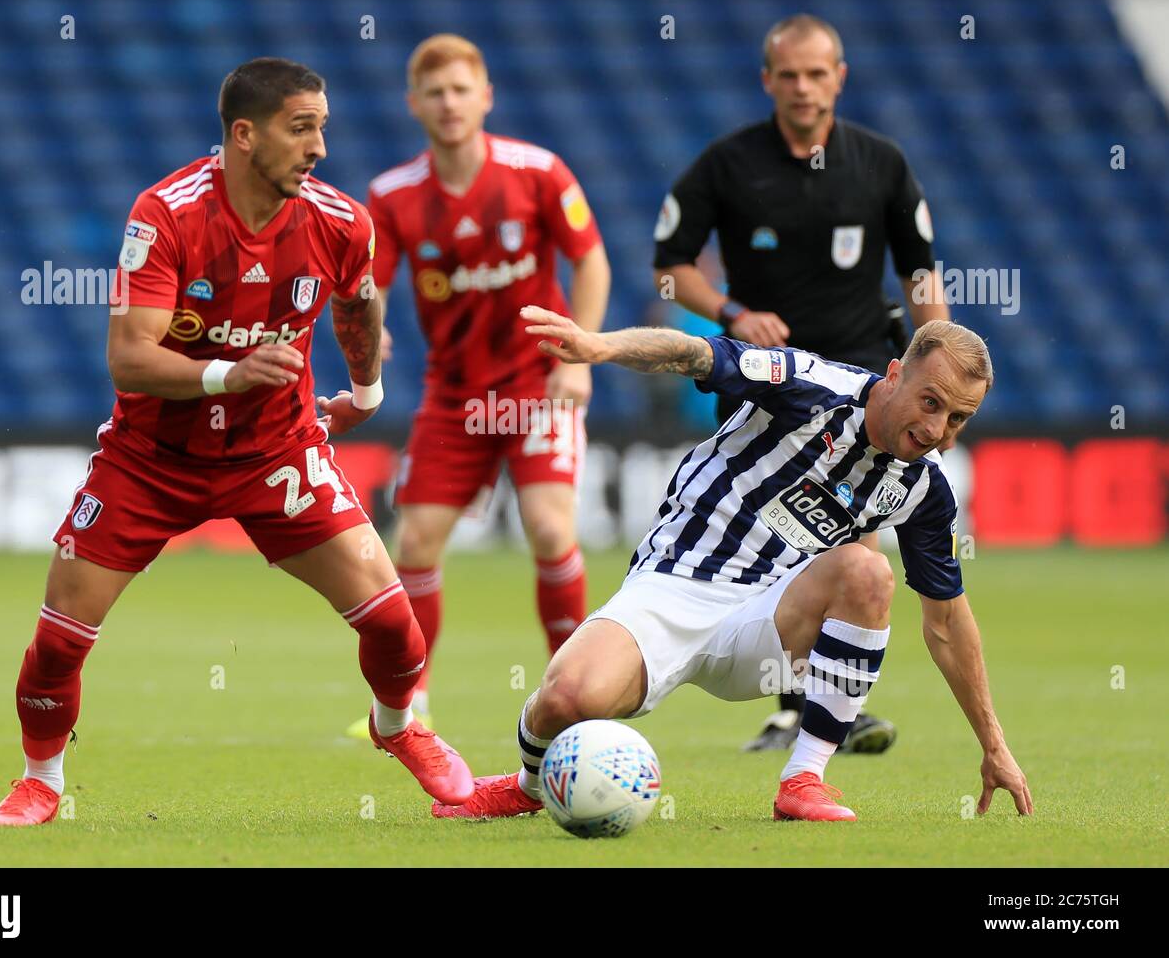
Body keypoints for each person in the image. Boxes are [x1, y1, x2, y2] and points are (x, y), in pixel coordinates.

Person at [0, 57, 474, 826]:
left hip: (276, 451)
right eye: (300, 128)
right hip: (151, 460)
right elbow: (129, 356)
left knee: (391, 621)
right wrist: (227, 374)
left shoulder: (341, 221)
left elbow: (357, 302)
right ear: (245, 134)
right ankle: (41, 778)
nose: (318, 147)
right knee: (59, 639)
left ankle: (399, 727)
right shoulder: (166, 214)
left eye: (323, 128)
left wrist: (369, 391)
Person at [433, 309, 1032, 823]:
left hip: (767, 623)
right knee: (565, 699)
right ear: (896, 375)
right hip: (673, 588)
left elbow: (948, 622)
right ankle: (530, 786)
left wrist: (995, 746)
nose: (937, 431)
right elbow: (697, 354)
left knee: (867, 571)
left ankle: (803, 780)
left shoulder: (924, 491)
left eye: (958, 420)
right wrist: (599, 348)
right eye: (931, 404)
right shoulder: (810, 384)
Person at [653, 13, 953, 753]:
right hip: (768, 385)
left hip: (861, 386)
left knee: (853, 552)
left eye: (818, 73)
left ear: (839, 78)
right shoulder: (728, 164)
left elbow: (920, 272)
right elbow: (670, 264)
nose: (803, 87)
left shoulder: (881, 163)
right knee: (773, 544)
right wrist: (731, 312)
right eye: (788, 74)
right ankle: (796, 707)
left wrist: (936, 357)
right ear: (768, 81)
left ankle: (818, 711)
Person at [346, 34, 611, 735]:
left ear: (485, 96)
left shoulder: (539, 171)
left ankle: (576, 694)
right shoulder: (393, 194)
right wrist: (372, 327)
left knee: (551, 528)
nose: (449, 102)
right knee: (415, 544)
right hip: (456, 396)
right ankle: (408, 705)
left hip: (536, 385)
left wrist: (577, 356)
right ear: (415, 105)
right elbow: (368, 286)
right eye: (435, 92)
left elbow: (592, 264)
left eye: (462, 89)